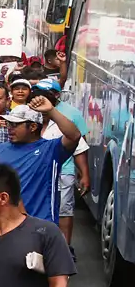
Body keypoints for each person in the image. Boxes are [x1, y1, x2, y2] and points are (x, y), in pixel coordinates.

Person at [0, 96, 80, 223]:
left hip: (41, 224)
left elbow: (74, 136)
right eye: (8, 123)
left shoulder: (50, 149)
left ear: (33, 127)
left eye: (15, 124)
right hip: (6, 224)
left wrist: (51, 111)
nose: (9, 128)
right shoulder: (0, 149)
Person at [33, 80, 91, 252]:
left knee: (64, 210)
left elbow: (79, 144)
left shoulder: (71, 114)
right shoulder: (30, 111)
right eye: (38, 92)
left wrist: (84, 174)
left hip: (63, 170)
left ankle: (64, 250)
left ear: (56, 95)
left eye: (46, 93)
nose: (41, 96)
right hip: (35, 172)